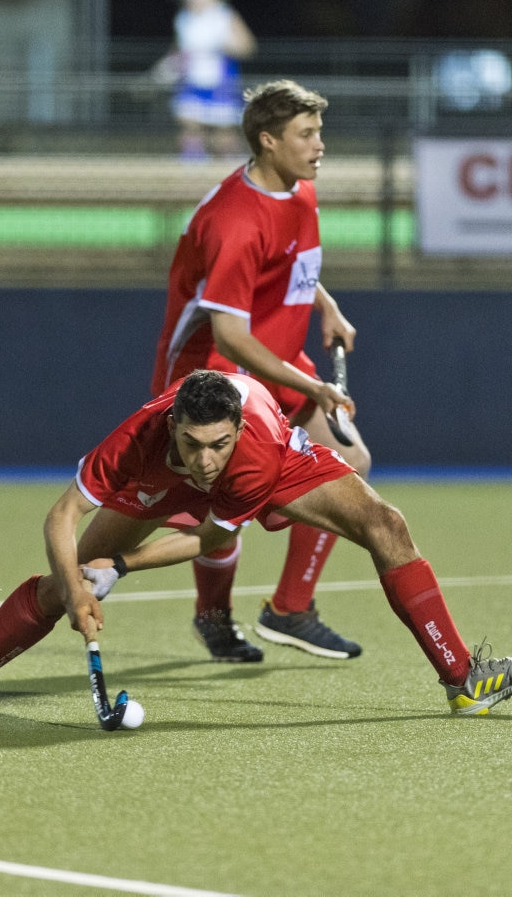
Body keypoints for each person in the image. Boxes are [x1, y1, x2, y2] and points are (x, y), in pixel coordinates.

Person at [0, 370, 512, 718]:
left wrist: (119, 569)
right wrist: (75, 584)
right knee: (60, 578)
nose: (204, 460)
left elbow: (209, 535)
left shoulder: (250, 458)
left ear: (234, 429)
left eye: (217, 443)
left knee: (387, 524)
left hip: (280, 467)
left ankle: (462, 679)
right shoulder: (140, 438)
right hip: (154, 486)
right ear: (171, 426)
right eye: (191, 444)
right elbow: (61, 516)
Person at [152, 79, 368, 666]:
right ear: (268, 141)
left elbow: (289, 261)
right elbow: (229, 335)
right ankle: (212, 617)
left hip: (274, 360)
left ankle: (290, 609)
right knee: (224, 519)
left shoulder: (298, 189)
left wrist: (325, 305)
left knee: (349, 462)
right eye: (307, 134)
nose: (320, 144)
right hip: (217, 376)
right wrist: (314, 386)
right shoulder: (234, 220)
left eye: (319, 132)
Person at [153, 0, 256, 161]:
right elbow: (179, 51)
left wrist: (226, 44)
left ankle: (235, 176)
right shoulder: (184, 19)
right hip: (191, 83)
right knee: (190, 129)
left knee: (224, 135)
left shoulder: (225, 17)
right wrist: (167, 67)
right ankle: (192, 175)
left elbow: (248, 47)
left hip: (220, 83)